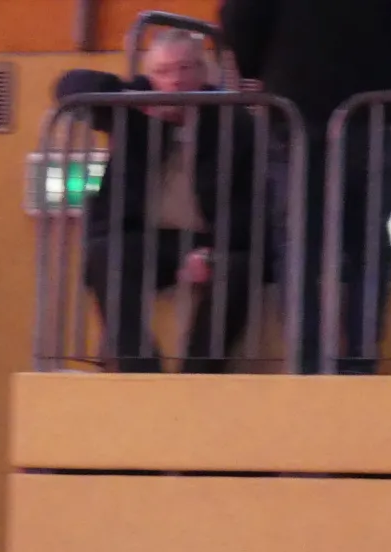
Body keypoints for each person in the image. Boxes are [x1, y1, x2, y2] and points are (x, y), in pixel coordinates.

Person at [220, 0, 391, 372]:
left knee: (299, 246)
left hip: (293, 105)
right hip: (365, 107)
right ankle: (359, 361)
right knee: (368, 247)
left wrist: (264, 65)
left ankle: (306, 364)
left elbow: (239, 19)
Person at [55, 32, 261, 373]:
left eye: (185, 68)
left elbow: (248, 204)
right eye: (163, 71)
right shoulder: (133, 111)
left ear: (203, 72)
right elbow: (69, 86)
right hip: (148, 237)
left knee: (238, 269)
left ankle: (197, 378)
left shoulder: (233, 121)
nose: (175, 80)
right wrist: (135, 97)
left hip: (209, 239)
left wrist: (212, 251)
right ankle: (141, 372)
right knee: (105, 254)